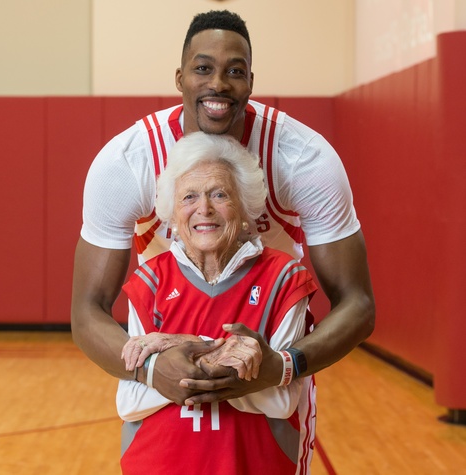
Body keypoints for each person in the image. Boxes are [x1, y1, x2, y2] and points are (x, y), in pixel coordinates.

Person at [71, 8, 375, 469]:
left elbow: (358, 303)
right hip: (168, 340)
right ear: (180, 78)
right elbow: (86, 310)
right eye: (203, 68)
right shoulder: (127, 163)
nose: (218, 84)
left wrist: (285, 365)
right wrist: (149, 368)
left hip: (267, 345)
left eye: (234, 71)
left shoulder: (302, 159)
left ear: (250, 81)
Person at [117, 131, 318, 474]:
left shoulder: (284, 278)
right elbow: (129, 401)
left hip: (255, 465)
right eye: (189, 196)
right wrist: (227, 355)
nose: (204, 209)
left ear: (244, 207)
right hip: (156, 463)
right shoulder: (149, 281)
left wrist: (176, 356)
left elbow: (282, 401)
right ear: (173, 214)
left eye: (219, 194)